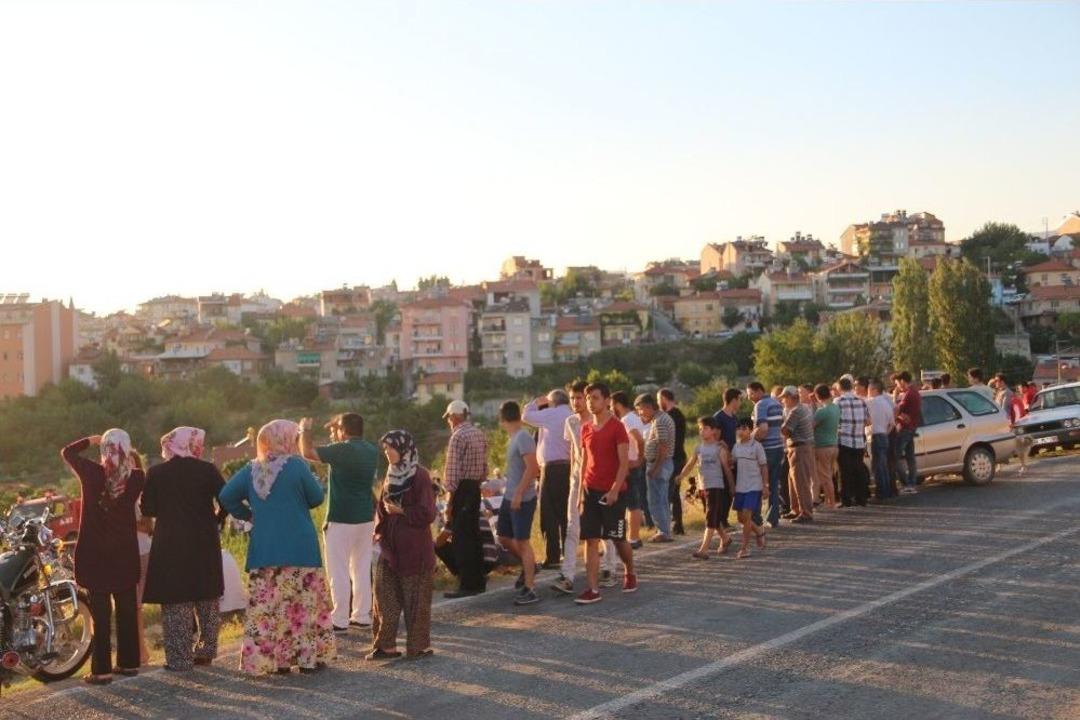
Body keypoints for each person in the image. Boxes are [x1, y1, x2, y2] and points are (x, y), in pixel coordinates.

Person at [219, 420, 335, 675]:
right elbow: (316, 497)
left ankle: (276, 662)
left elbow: (226, 496)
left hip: (265, 550)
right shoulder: (295, 465)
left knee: (269, 608)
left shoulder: (250, 470)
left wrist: (249, 516)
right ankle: (306, 659)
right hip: (300, 548)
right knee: (301, 606)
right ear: (287, 440)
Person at [62, 430, 146, 685]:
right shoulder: (137, 477)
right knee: (127, 611)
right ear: (127, 448)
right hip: (124, 554)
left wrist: (91, 440)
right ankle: (129, 664)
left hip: (96, 555)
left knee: (101, 614)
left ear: (104, 450)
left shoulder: (91, 472)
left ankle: (101, 671)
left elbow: (67, 452)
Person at [141, 427, 226, 672]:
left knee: (175, 599)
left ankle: (179, 659)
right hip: (204, 540)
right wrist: (217, 518)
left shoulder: (156, 473)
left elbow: (148, 509)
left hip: (170, 542)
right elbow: (227, 498)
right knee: (207, 596)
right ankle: (206, 650)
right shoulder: (207, 470)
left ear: (169, 445)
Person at [299, 412, 378, 633]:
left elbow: (306, 452)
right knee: (361, 568)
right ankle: (362, 614)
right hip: (364, 518)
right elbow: (341, 449)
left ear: (343, 431)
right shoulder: (371, 451)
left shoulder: (341, 450)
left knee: (339, 571)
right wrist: (337, 428)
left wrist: (304, 429)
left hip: (341, 517)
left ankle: (340, 618)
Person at [369, 430, 437, 661]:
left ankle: (418, 647)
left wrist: (402, 511)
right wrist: (379, 534)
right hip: (390, 548)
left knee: (415, 600)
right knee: (384, 594)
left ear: (404, 449)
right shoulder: (390, 476)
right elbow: (381, 508)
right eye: (385, 448)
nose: (387, 452)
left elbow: (427, 512)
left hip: (414, 549)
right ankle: (385, 645)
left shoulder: (420, 476)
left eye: (391, 448)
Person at [575, 382, 638, 604]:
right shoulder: (585, 428)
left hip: (614, 494)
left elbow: (623, 464)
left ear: (607, 400)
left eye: (595, 398)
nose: (591, 402)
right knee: (590, 540)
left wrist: (613, 490)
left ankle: (630, 570)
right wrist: (580, 493)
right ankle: (592, 589)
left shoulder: (617, 427)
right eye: (588, 398)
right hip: (590, 491)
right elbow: (584, 462)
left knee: (618, 539)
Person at [495, 402, 542, 606]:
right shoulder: (513, 438)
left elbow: (533, 468)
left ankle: (530, 589)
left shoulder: (523, 437)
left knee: (523, 541)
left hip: (522, 498)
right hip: (509, 495)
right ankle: (529, 563)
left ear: (502, 418)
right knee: (503, 537)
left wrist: (519, 494)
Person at [441, 400, 489, 598]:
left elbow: (452, 474)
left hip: (461, 489)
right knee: (474, 534)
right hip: (474, 487)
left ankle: (467, 583)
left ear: (454, 416)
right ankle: (478, 580)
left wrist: (449, 503)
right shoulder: (479, 433)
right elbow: (484, 468)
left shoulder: (458, 436)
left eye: (449, 418)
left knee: (461, 537)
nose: (449, 422)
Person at [523, 391, 573, 570]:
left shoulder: (553, 413)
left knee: (549, 512)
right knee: (566, 513)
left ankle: (552, 556)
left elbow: (526, 416)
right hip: (569, 467)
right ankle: (569, 554)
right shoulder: (571, 414)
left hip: (552, 468)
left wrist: (536, 401)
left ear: (553, 402)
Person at [677, 417, 733, 559]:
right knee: (712, 516)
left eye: (706, 428)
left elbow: (727, 469)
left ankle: (704, 549)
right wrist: (680, 476)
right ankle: (725, 538)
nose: (702, 432)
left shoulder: (719, 448)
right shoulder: (699, 448)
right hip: (703, 486)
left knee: (710, 517)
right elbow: (690, 464)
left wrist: (732, 487)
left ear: (714, 431)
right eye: (700, 429)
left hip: (716, 486)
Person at [635, 393, 675, 542]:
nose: (640, 413)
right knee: (661, 498)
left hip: (659, 463)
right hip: (661, 463)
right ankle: (664, 530)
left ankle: (663, 531)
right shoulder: (660, 419)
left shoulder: (659, 421)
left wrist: (656, 468)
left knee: (656, 499)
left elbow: (663, 446)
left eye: (640, 409)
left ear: (648, 407)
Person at [612, 391, 647, 549]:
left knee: (629, 504)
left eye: (612, 404)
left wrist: (639, 458)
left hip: (630, 465)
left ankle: (632, 537)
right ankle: (633, 536)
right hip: (633, 464)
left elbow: (639, 439)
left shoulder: (626, 420)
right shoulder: (634, 417)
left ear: (617, 404)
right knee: (635, 502)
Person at [747, 382, 785, 527]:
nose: (749, 397)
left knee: (758, 482)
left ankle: (756, 517)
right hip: (778, 447)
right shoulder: (776, 403)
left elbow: (762, 429)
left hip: (766, 449)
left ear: (758, 391)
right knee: (774, 483)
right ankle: (773, 517)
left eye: (750, 393)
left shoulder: (761, 405)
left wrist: (749, 440)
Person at [731, 419, 769, 559]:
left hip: (754, 486)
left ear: (750, 429)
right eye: (739, 428)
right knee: (741, 518)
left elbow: (764, 466)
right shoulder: (736, 447)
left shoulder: (757, 446)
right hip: (740, 486)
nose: (741, 431)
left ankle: (744, 548)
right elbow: (732, 462)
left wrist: (765, 486)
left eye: (744, 428)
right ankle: (759, 531)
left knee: (747, 515)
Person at [779, 386, 815, 523]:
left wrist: (780, 423)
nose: (783, 401)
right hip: (801, 448)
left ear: (790, 397)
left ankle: (805, 512)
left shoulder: (795, 411)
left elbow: (786, 431)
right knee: (793, 481)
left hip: (799, 448)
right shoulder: (803, 408)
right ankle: (796, 509)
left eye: (784, 398)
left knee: (800, 482)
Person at [835, 377, 871, 507]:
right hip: (859, 440)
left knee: (845, 471)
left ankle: (846, 499)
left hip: (844, 439)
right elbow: (868, 421)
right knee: (858, 469)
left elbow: (835, 420)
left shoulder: (838, 401)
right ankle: (861, 498)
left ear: (839, 388)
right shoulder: (861, 401)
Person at [658, 389, 687, 536]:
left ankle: (665, 528)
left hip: (673, 458)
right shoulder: (678, 415)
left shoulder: (670, 417)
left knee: (666, 493)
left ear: (664, 398)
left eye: (659, 399)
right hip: (678, 457)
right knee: (674, 493)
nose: (658, 403)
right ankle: (678, 525)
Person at [712, 387, 742, 529]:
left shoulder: (734, 418)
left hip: (733, 457)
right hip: (722, 458)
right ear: (733, 400)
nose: (740, 402)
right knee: (723, 489)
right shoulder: (718, 417)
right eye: (739, 399)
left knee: (731, 489)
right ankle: (720, 520)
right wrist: (724, 448)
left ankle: (724, 518)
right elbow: (714, 438)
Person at [812, 384, 840, 510]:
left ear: (818, 396)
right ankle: (830, 501)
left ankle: (831, 503)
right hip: (834, 445)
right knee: (829, 474)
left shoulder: (821, 411)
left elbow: (810, 426)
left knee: (825, 477)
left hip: (822, 446)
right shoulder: (835, 408)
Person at [894, 372, 922, 495]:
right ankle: (912, 483)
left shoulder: (909, 394)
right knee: (910, 457)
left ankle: (906, 483)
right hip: (912, 427)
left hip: (905, 429)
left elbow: (896, 410)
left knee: (895, 456)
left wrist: (894, 398)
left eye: (897, 383)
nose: (898, 387)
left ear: (902, 381)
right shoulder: (915, 392)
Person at [866, 381, 895, 502]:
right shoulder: (886, 403)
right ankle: (887, 491)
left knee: (877, 467)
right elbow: (892, 424)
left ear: (873, 390)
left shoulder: (872, 402)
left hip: (876, 435)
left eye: (869, 390)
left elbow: (860, 401)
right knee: (884, 466)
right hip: (884, 435)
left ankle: (881, 493)